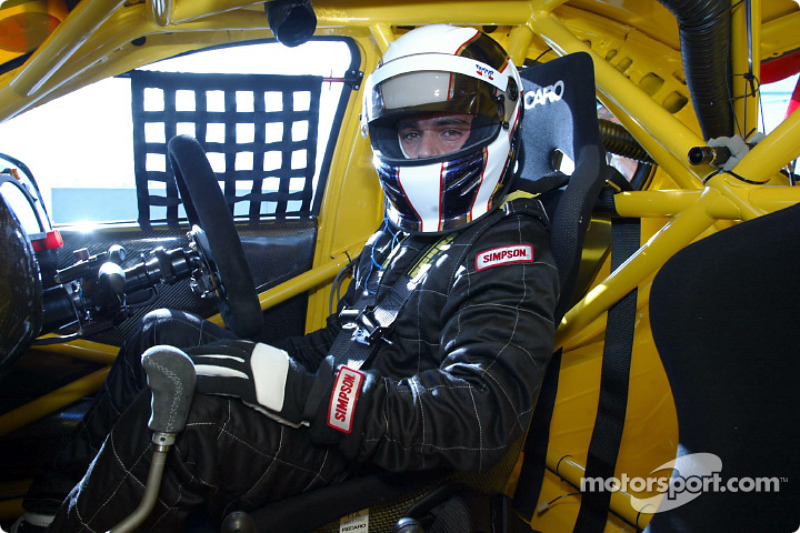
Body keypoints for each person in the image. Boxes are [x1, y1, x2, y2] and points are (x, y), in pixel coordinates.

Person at [12, 23, 559, 532]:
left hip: (380, 455)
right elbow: (346, 340)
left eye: (450, 129)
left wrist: (303, 391)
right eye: (410, 134)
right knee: (161, 331)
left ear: (498, 125)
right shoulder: (402, 236)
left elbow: (481, 419)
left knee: (193, 426)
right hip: (336, 418)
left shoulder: (509, 252)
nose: (425, 151)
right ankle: (45, 513)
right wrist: (267, 365)